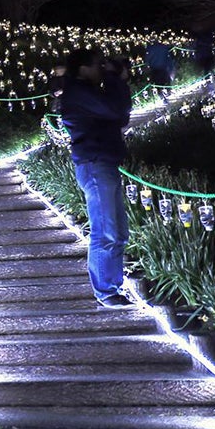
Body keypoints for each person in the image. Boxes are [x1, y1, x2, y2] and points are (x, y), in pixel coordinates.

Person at [56, 46, 133, 307]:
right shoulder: (79, 93)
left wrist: (116, 81)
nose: (102, 69)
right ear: (83, 68)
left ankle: (113, 287)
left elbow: (119, 115)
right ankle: (105, 291)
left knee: (119, 231)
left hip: (104, 162)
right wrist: (115, 80)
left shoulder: (86, 92)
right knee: (106, 231)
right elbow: (116, 111)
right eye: (98, 65)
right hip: (95, 163)